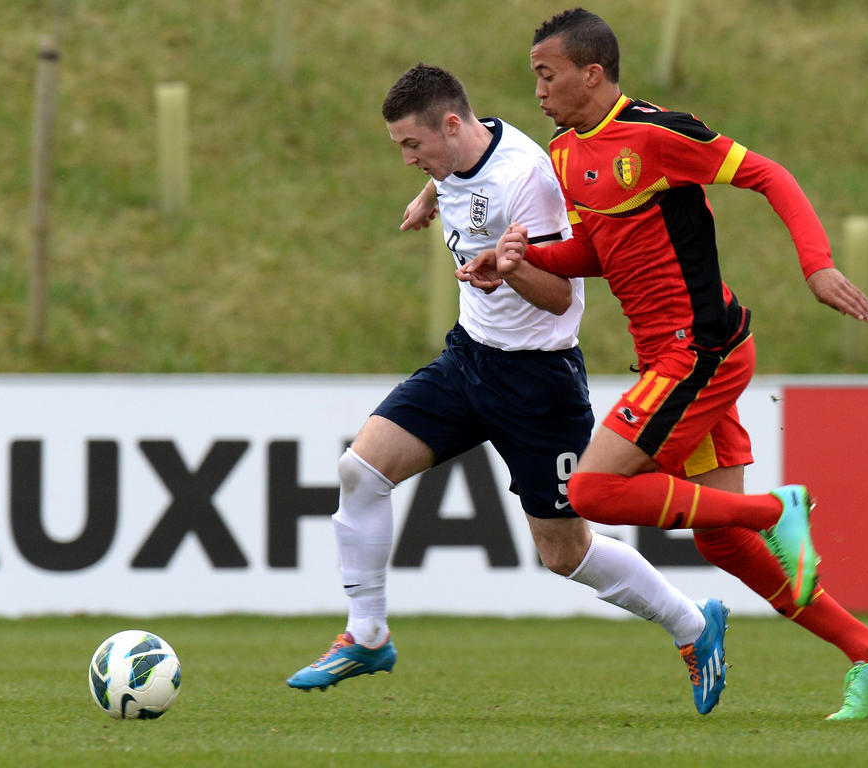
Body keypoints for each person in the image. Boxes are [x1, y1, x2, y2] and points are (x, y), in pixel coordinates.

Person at [459, 8, 868, 721]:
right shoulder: (567, 151)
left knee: (594, 493)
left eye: (547, 75)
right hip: (669, 354)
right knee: (719, 538)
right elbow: (601, 254)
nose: (538, 90)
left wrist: (817, 265)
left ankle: (778, 508)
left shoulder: (658, 133)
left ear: (592, 73)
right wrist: (520, 260)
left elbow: (769, 174)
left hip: (700, 347)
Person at [286, 62, 740, 715]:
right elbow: (463, 182)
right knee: (360, 471)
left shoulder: (526, 177)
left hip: (538, 382)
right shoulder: (459, 158)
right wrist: (429, 194)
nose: (408, 158)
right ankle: (367, 635)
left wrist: (506, 271)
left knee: (565, 554)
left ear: (448, 124)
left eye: (413, 146)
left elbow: (559, 296)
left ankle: (694, 626)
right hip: (468, 361)